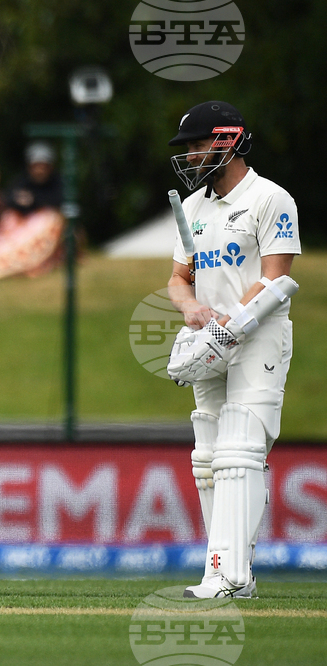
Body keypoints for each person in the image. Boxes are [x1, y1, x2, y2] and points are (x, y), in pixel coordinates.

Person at [166, 101, 300, 598]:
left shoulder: (270, 198)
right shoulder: (193, 208)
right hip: (210, 340)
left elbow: (276, 277)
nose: (190, 156)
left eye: (197, 145)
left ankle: (230, 575)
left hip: (257, 334)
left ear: (228, 142)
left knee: (241, 450)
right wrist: (192, 310)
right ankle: (224, 572)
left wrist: (231, 323)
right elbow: (179, 278)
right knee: (208, 455)